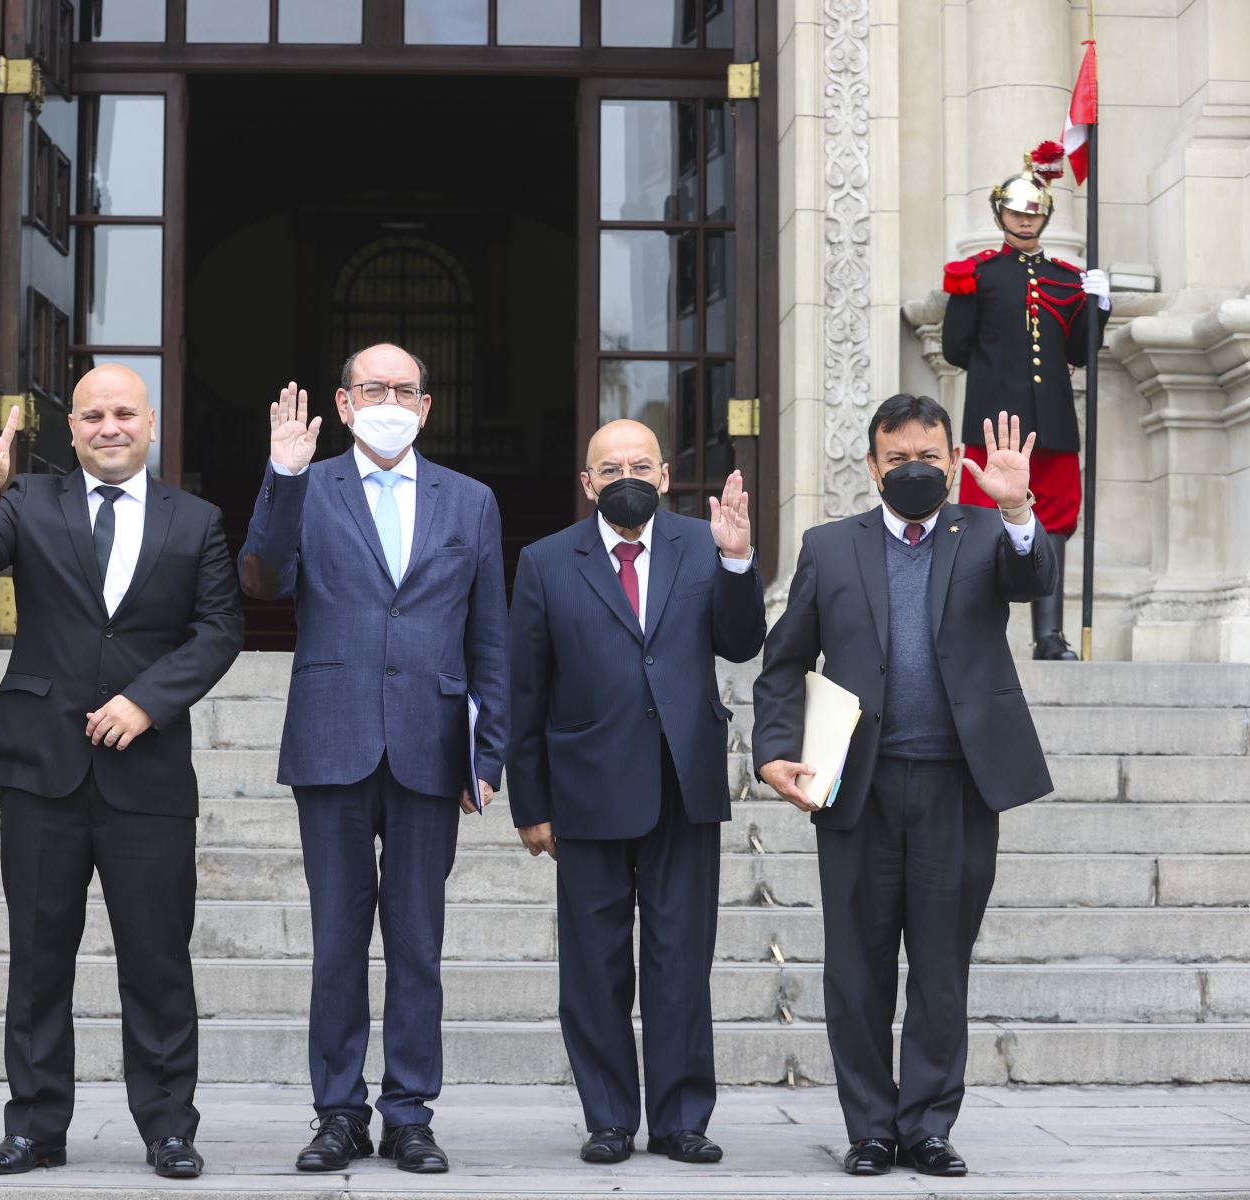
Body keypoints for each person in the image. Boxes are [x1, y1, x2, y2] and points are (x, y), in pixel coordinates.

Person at [0, 367, 244, 1179]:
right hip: (41, 766)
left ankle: (168, 1129)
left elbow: (218, 630)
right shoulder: (29, 503)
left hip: (147, 773)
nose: (109, 427)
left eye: (124, 413)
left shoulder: (199, 521)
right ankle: (35, 1129)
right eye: (92, 416)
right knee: (38, 960)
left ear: (151, 423)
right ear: (71, 429)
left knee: (157, 961)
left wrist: (147, 702)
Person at [752, 394, 1057, 1179]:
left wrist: (1020, 505)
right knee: (855, 968)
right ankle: (871, 1129)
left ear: (954, 462)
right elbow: (785, 659)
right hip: (860, 787)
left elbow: (1032, 579)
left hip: (959, 785)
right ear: (872, 467)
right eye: (898, 459)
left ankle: (926, 1126)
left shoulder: (988, 532)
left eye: (930, 456)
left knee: (941, 963)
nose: (914, 469)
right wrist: (774, 750)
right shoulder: (829, 547)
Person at [239, 345, 508, 1176]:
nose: (388, 400)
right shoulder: (309, 486)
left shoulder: (470, 502)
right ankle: (337, 1112)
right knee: (338, 942)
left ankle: (410, 1112)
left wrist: (488, 748)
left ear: (426, 408)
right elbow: (260, 580)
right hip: (334, 739)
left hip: (432, 744)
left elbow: (489, 634)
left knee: (419, 942)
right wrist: (281, 478)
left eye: (404, 390)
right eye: (371, 388)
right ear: (343, 404)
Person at [507, 420, 763, 1166]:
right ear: (588, 482)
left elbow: (741, 642)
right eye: (610, 465)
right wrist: (532, 802)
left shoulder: (701, 544)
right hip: (584, 788)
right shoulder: (547, 561)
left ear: (664, 474)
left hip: (683, 784)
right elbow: (527, 688)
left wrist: (740, 558)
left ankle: (682, 1118)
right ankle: (610, 1117)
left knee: (682, 959)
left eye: (640, 463)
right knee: (594, 967)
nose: (627, 473)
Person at [942, 147, 1109, 659]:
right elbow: (954, 348)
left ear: (1045, 217)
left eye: (1033, 212)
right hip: (994, 421)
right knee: (982, 523)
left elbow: (1084, 350)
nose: (1024, 220)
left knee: (1054, 521)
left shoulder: (1066, 278)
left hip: (1053, 421)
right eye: (1016, 212)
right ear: (1000, 215)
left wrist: (1099, 305)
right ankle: (979, 635)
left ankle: (1049, 636)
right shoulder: (979, 273)